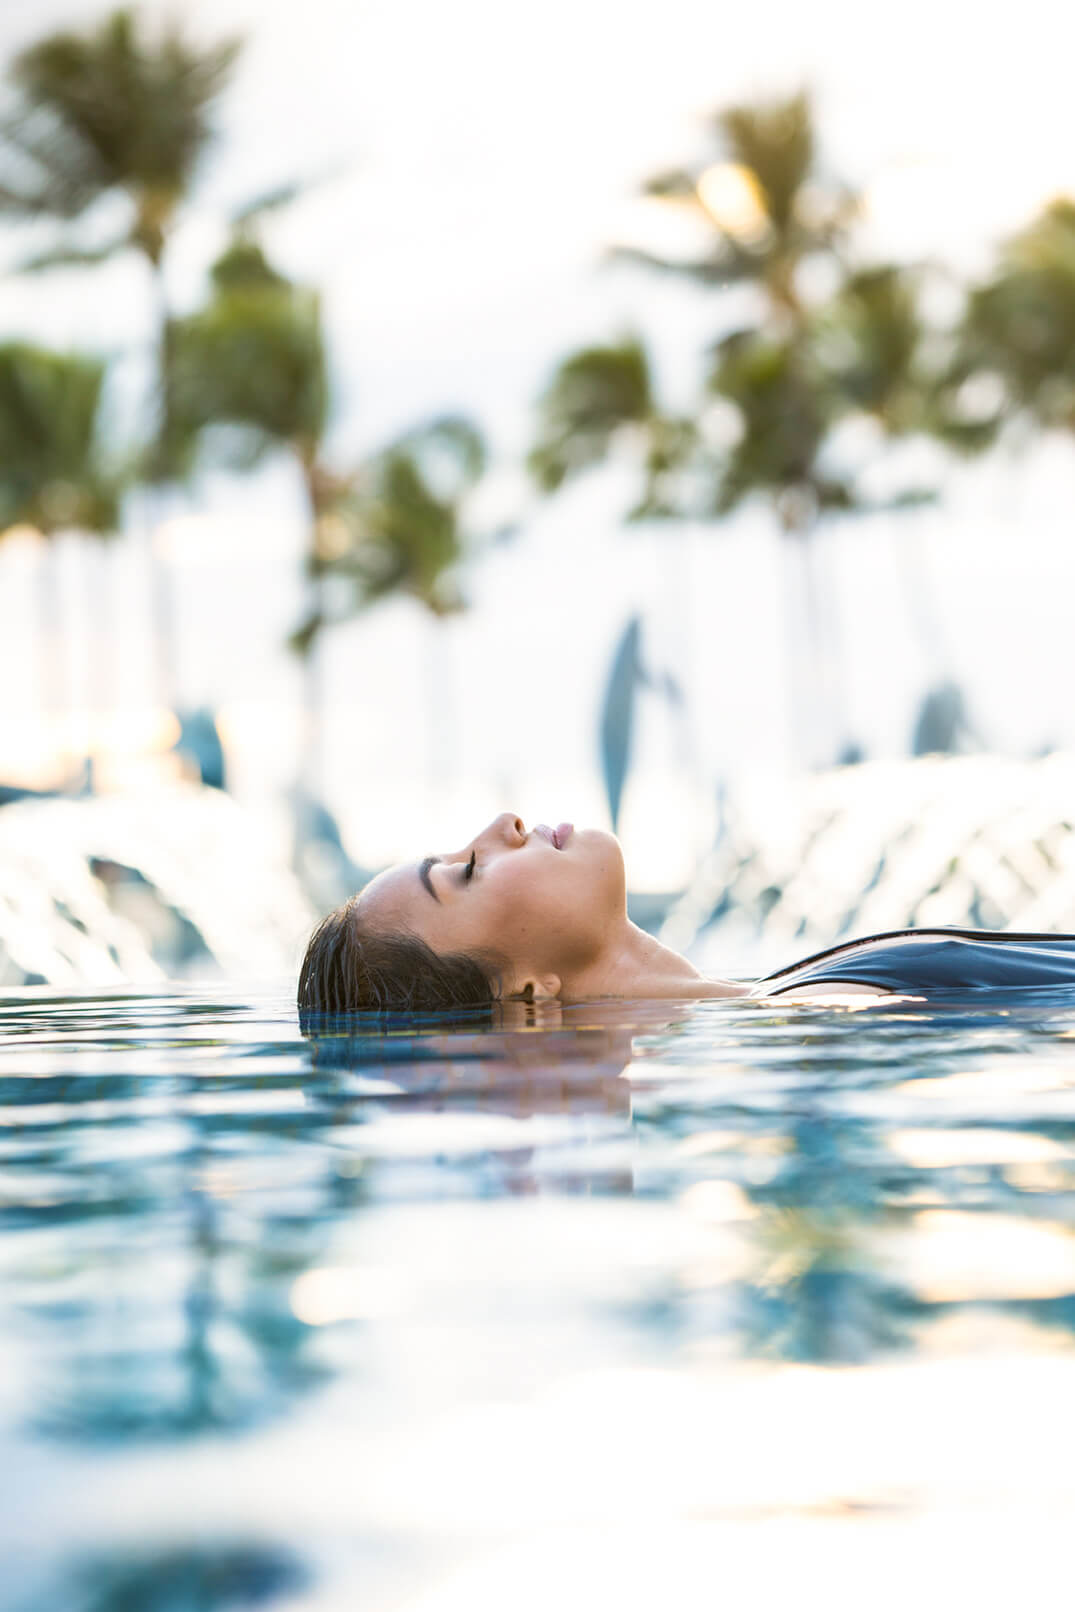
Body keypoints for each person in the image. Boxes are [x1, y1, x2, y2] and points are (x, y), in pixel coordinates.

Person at [297, 812, 1075, 1012]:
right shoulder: (823, 1018)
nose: (504, 826)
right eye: (465, 873)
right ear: (529, 994)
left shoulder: (800, 995)